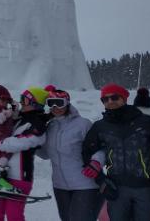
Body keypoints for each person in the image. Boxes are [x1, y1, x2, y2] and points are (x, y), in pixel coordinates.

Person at [82, 83, 150, 221]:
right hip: (116, 189)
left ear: (124, 99)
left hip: (146, 188)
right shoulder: (99, 127)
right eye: (105, 99)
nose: (110, 101)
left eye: (114, 97)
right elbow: (86, 153)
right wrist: (101, 182)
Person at [36, 86, 103, 221]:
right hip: (60, 186)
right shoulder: (50, 126)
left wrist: (96, 162)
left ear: (67, 103)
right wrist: (32, 145)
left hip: (84, 184)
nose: (55, 107)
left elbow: (100, 148)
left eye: (59, 103)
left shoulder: (83, 124)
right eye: (51, 103)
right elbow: (45, 154)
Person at [0, 87, 49, 221]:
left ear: (35, 103)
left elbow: (21, 142)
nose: (21, 103)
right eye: (21, 99)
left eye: (24, 100)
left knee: (14, 215)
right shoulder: (17, 119)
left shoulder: (38, 124)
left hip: (20, 177)